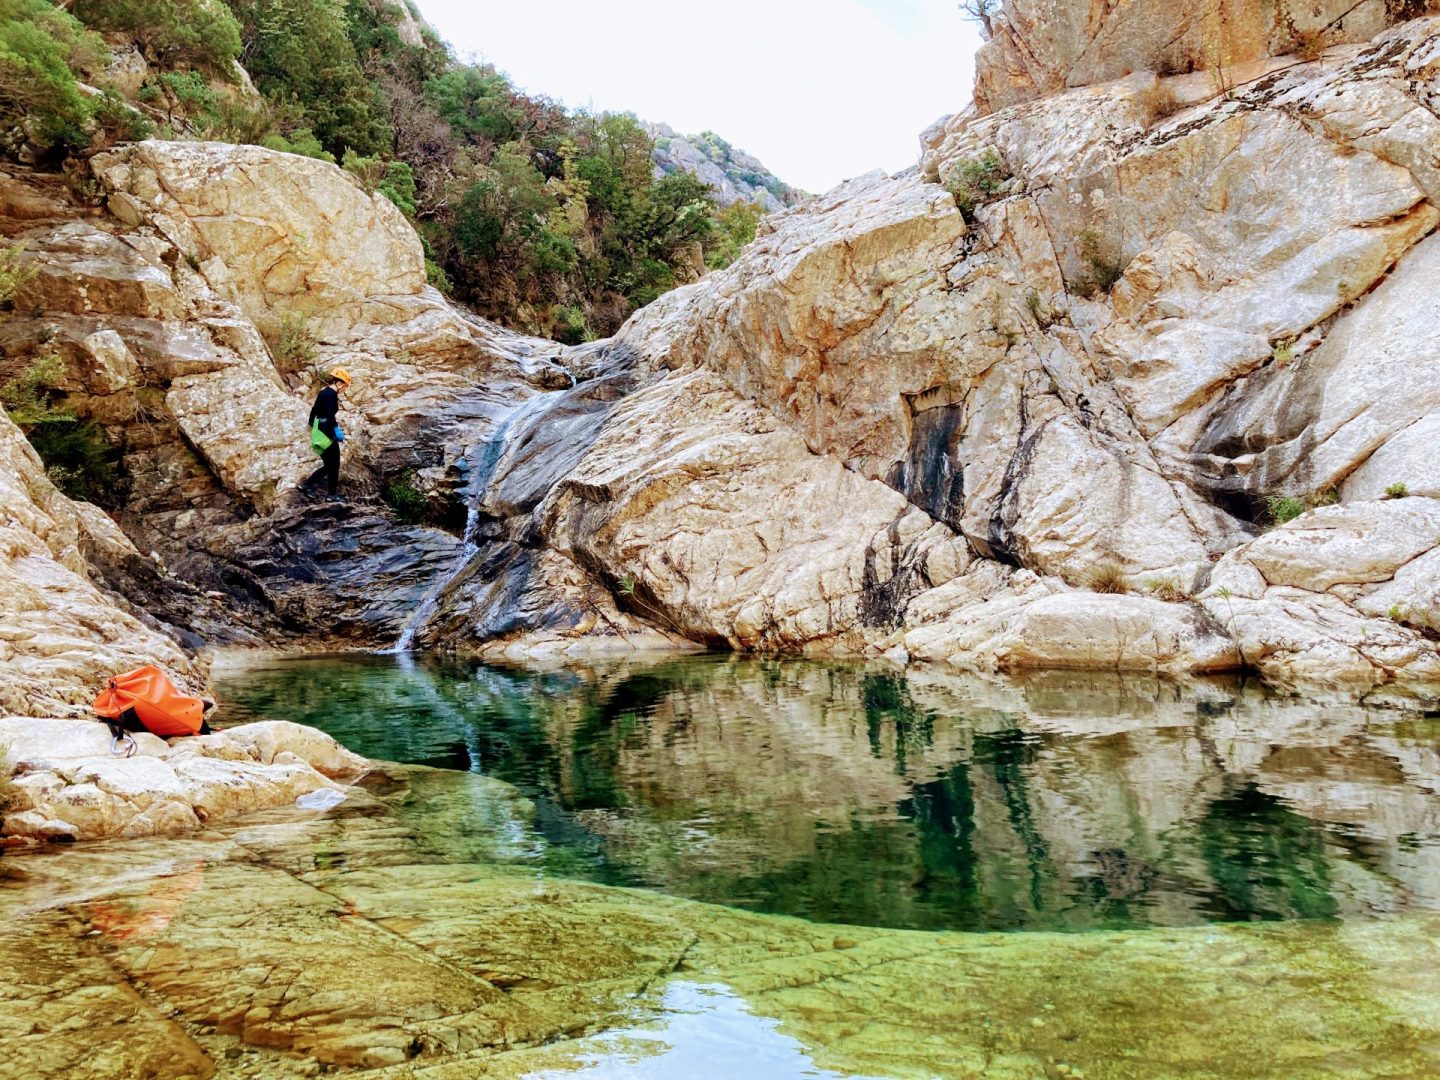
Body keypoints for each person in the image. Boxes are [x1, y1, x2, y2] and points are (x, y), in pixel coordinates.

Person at [302, 367, 351, 498]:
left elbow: (315, 409)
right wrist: (335, 431)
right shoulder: (331, 395)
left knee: (329, 465)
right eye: (345, 386)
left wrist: (312, 422)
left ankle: (307, 486)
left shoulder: (324, 392)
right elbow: (329, 416)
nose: (344, 390)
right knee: (334, 465)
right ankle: (331, 495)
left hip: (319, 431)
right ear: (339, 383)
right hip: (326, 433)